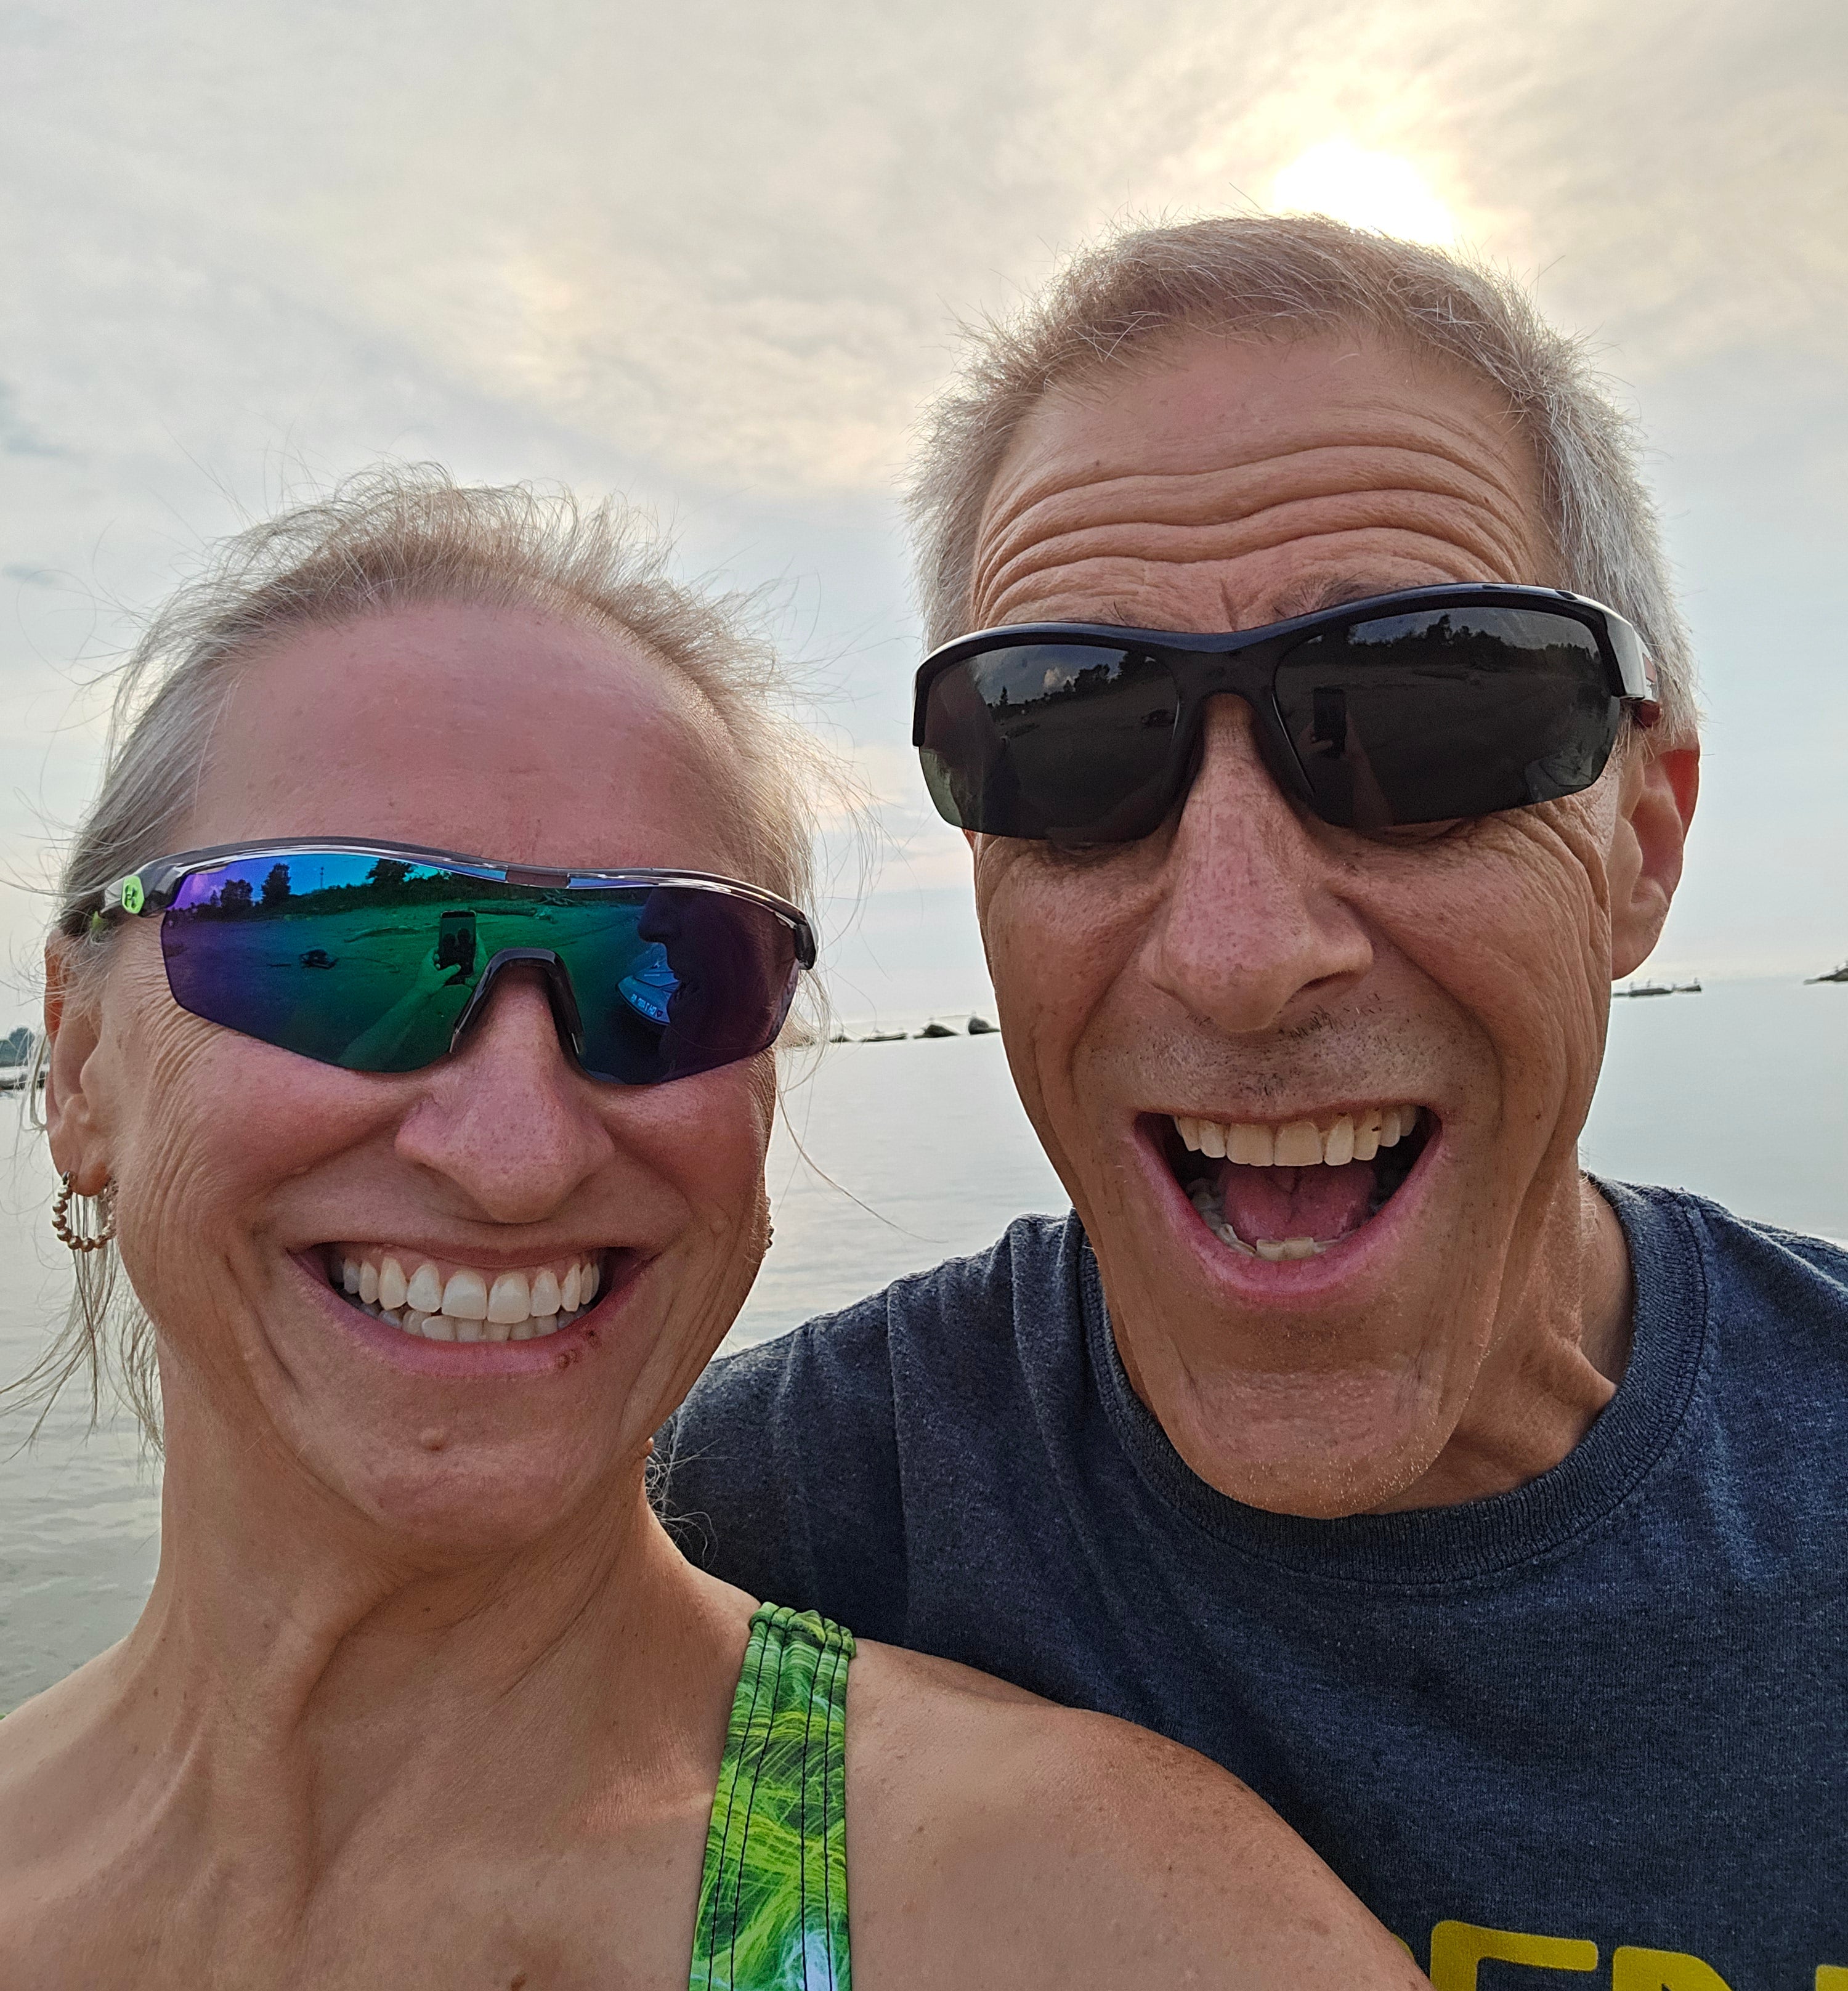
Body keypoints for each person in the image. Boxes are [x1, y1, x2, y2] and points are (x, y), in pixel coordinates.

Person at [0, 470, 1421, 1991]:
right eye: (336, 948)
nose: (518, 1153)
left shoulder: (1103, 1922)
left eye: (668, 974)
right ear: (76, 1063)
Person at [662, 217, 1848, 1988]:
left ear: (1644, 846)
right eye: (1065, 742)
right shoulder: (776, 1523)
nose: (1237, 955)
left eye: (1424, 716)